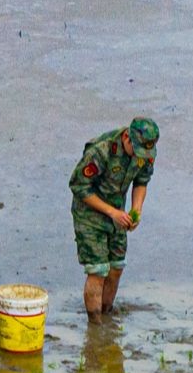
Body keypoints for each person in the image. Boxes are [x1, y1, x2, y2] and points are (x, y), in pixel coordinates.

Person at [68, 118, 159, 320]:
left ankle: (106, 315)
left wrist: (136, 210)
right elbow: (78, 186)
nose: (138, 156)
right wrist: (111, 212)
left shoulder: (146, 151)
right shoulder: (101, 151)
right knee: (98, 270)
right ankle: (95, 323)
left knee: (116, 266)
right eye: (135, 150)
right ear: (127, 137)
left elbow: (142, 181)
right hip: (89, 214)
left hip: (118, 214)